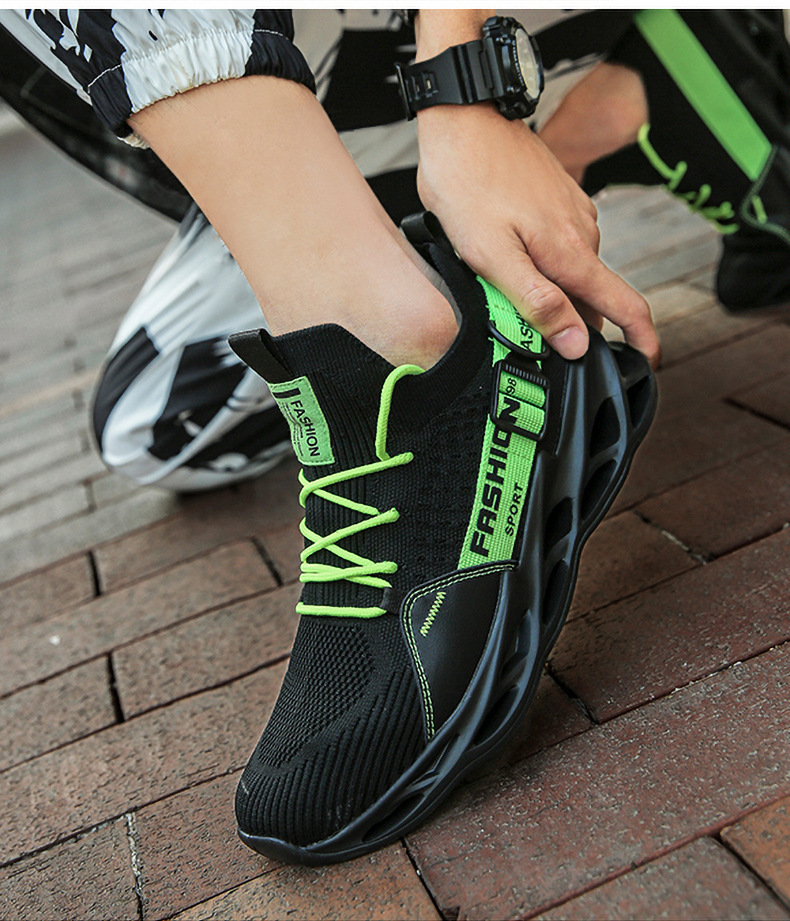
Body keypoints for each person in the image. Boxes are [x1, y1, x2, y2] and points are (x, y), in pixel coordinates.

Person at [0, 8, 785, 862]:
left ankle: (406, 340)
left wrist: (468, 91)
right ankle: (588, 127)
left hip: (453, 29)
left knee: (367, 288)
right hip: (330, 53)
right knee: (155, 427)